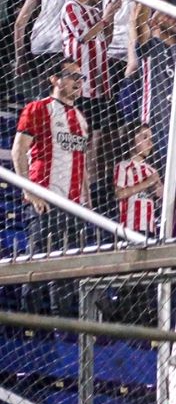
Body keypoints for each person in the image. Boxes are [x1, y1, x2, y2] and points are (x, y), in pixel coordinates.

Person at [11, 61, 91, 315]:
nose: (78, 82)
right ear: (54, 79)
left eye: (81, 77)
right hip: (45, 200)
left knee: (67, 271)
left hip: (73, 205)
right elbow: (18, 150)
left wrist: (85, 201)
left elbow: (82, 162)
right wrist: (29, 191)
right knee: (38, 263)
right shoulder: (37, 109)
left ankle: (63, 326)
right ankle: (29, 325)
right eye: (71, 76)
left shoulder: (80, 118)